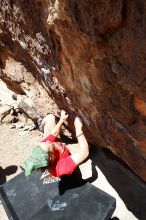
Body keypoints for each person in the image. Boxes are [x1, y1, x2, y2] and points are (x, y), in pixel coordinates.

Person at [23, 110, 89, 177]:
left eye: (46, 142)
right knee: (87, 145)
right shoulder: (61, 168)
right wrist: (78, 129)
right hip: (68, 152)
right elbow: (84, 153)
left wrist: (62, 119)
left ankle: (41, 127)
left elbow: (54, 133)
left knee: (50, 117)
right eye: (48, 145)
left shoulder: (43, 146)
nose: (48, 141)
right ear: (51, 156)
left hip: (60, 147)